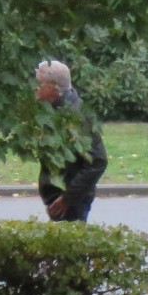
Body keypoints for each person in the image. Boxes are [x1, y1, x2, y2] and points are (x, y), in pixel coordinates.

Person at [34, 60, 108, 223]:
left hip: (72, 202)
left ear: (54, 87)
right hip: (57, 198)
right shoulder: (51, 111)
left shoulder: (77, 116)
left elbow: (97, 161)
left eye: (39, 83)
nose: (34, 87)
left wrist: (67, 198)